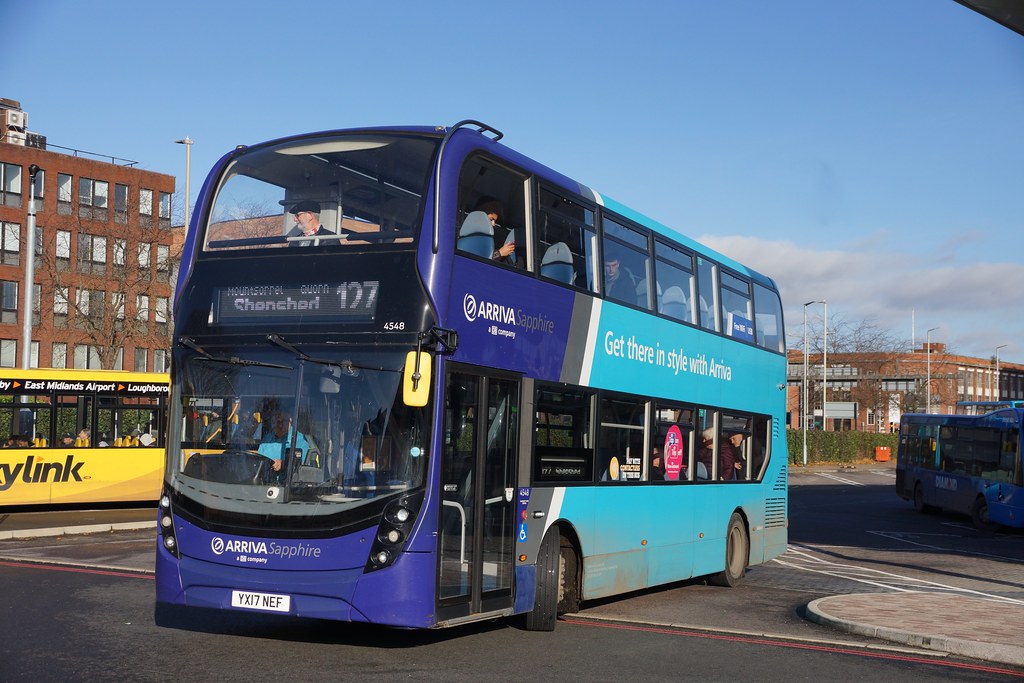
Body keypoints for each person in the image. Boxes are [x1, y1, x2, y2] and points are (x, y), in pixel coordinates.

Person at [257, 409, 310, 474]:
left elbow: (304, 470)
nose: (280, 425)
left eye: (283, 421)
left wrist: (284, 464)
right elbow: (259, 461)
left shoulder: (301, 442)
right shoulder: (267, 439)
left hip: (289, 480)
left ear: (290, 419)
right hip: (264, 479)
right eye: (277, 422)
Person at [475, 197, 516, 263]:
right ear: (480, 216)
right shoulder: (472, 236)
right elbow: (480, 260)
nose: (493, 224)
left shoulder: (488, 238)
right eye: (491, 219)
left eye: (495, 221)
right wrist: (500, 253)